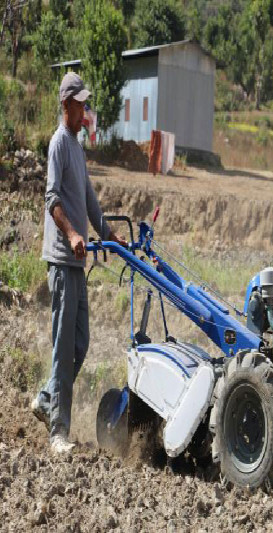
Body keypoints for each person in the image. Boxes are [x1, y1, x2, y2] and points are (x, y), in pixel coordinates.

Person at [31, 72, 126, 454]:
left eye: (87, 105)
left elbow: (88, 200)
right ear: (66, 104)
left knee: (80, 342)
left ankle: (45, 398)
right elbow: (52, 199)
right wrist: (72, 235)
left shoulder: (77, 146)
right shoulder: (58, 144)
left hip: (77, 262)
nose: (86, 111)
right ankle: (58, 432)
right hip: (62, 258)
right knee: (63, 344)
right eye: (81, 104)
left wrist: (109, 235)